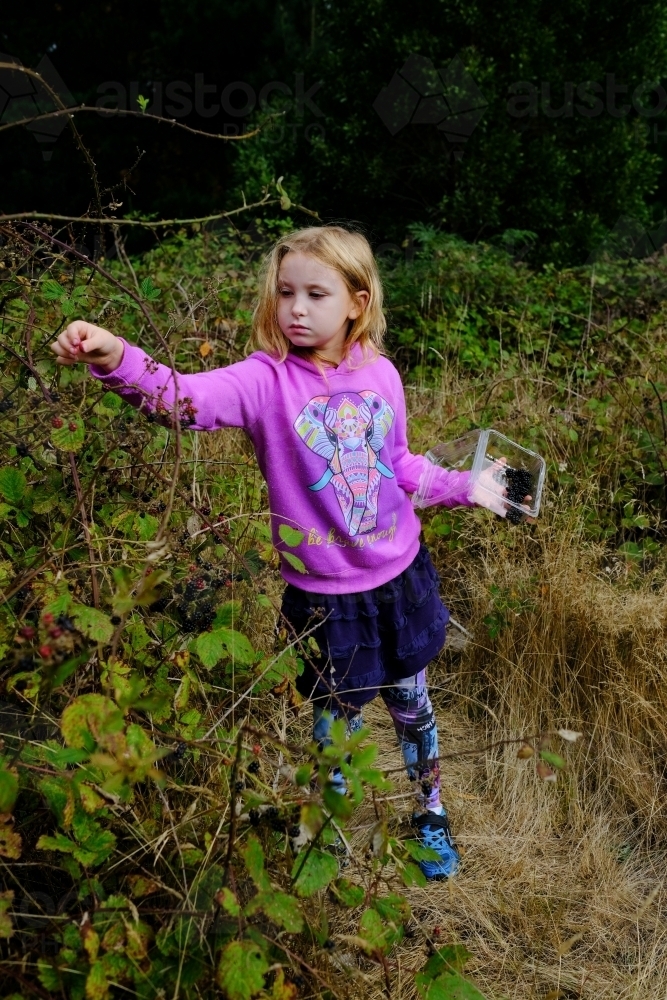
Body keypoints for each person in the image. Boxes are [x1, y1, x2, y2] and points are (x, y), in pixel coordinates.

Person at [51, 225, 519, 879]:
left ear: (356, 302)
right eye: (285, 292)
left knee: (412, 706)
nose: (296, 308)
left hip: (400, 580)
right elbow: (182, 399)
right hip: (326, 601)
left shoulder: (382, 375)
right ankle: (327, 835)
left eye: (315, 294)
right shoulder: (264, 382)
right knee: (335, 730)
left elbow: (400, 464)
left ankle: (429, 812)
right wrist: (112, 355)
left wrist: (466, 486)